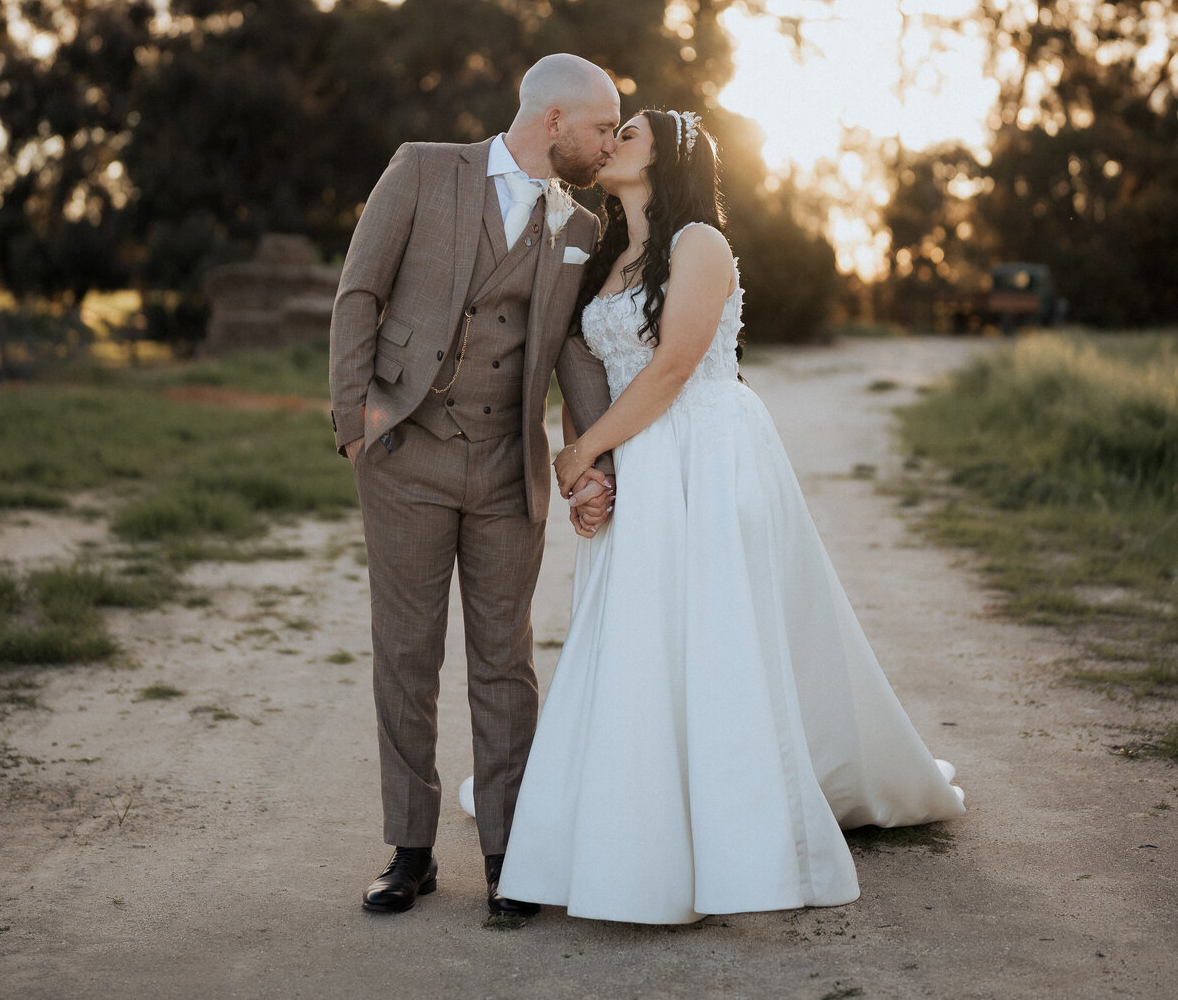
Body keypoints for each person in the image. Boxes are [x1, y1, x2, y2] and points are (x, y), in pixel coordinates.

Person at [496, 108, 965, 924]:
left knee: (715, 631)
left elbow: (676, 365)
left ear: (670, 157)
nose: (610, 144)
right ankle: (640, 808)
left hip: (707, 450)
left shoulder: (698, 245)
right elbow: (591, 375)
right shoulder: (609, 255)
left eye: (629, 133)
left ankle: (733, 826)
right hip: (639, 453)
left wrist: (576, 454)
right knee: (637, 630)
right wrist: (593, 474)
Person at [329, 54, 621, 920]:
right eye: (604, 126)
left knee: (505, 662)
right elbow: (360, 292)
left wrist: (594, 461)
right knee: (408, 655)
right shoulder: (424, 168)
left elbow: (573, 352)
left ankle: (508, 854)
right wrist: (354, 421)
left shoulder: (582, 227)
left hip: (506, 466)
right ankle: (409, 850)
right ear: (556, 120)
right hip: (406, 459)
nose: (610, 144)